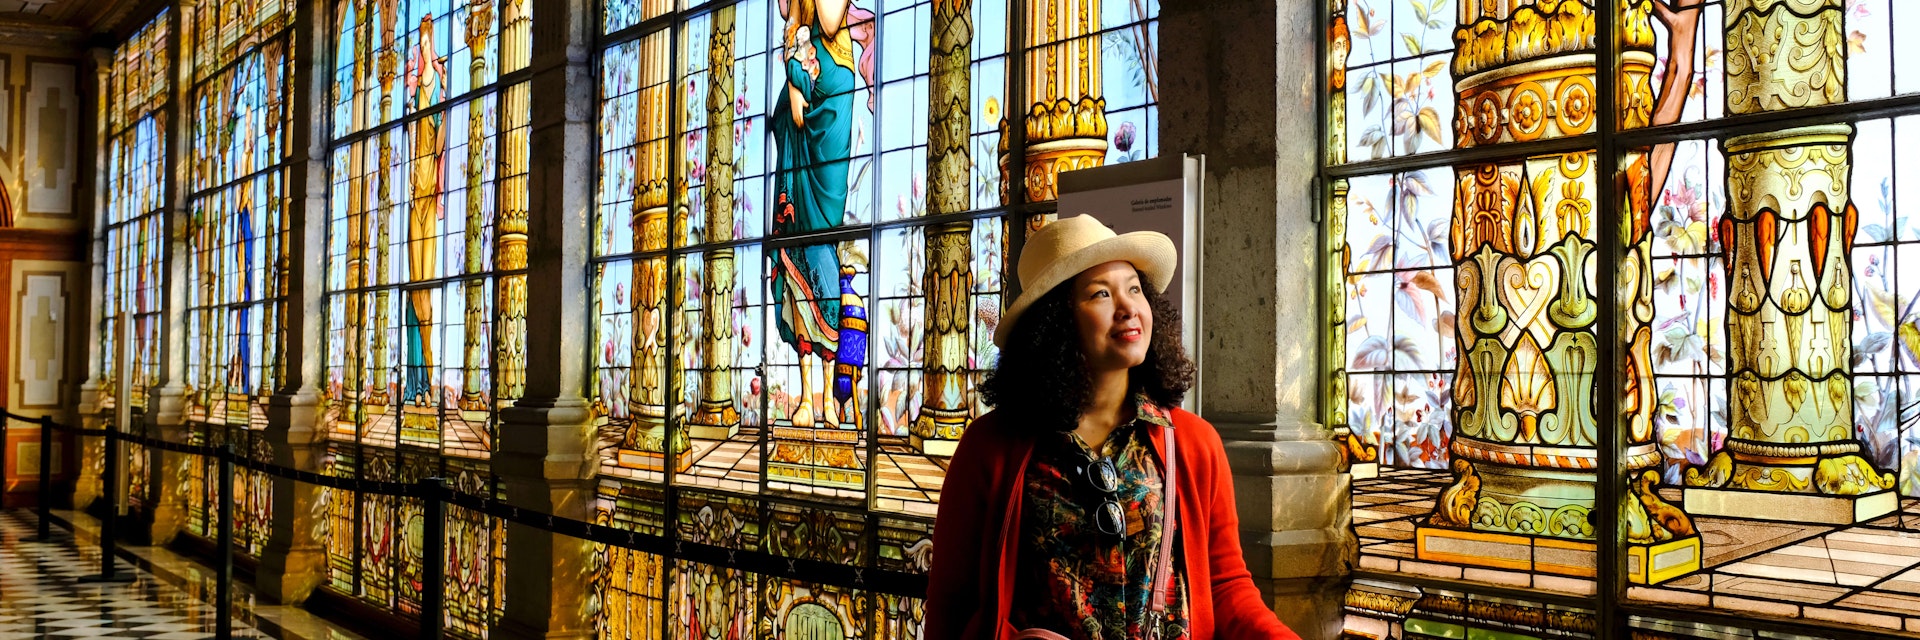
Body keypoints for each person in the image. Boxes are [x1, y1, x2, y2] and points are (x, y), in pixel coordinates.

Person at [925, 215, 1300, 640]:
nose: (1129, 308)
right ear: (1056, 322)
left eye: (1134, 288)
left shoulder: (1194, 443)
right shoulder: (990, 447)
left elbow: (1226, 586)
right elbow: (950, 604)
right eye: (1101, 293)